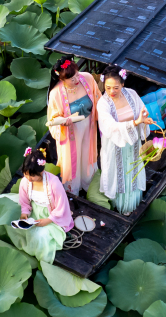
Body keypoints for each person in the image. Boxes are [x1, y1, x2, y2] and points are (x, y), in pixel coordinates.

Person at [98, 65, 155, 215]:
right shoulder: (103, 103)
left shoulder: (131, 94)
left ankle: (131, 203)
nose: (111, 92)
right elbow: (111, 126)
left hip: (133, 142)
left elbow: (141, 110)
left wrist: (144, 119)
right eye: (108, 87)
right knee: (117, 172)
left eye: (116, 87)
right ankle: (118, 204)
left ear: (123, 84)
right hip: (115, 144)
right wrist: (135, 122)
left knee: (133, 170)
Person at [46, 56, 101, 195]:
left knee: (87, 152)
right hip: (70, 130)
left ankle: (89, 184)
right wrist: (63, 121)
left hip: (88, 124)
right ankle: (73, 190)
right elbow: (52, 119)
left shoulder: (87, 78)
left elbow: (98, 98)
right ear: (61, 79)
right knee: (72, 159)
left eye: (77, 75)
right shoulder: (55, 94)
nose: (76, 79)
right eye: (71, 79)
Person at [9, 156, 73, 263]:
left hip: (52, 215)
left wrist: (48, 220)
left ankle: (40, 260)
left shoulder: (54, 183)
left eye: (32, 176)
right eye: (25, 174)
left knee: (40, 236)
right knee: (9, 213)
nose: (29, 178)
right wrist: (24, 213)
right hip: (34, 210)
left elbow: (62, 206)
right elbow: (24, 201)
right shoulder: (25, 181)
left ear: (41, 171)